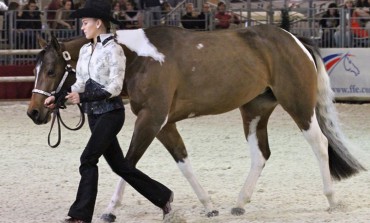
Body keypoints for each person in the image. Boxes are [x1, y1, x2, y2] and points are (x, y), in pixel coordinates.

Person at [44, 0, 174, 222]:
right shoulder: (85, 50)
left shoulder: (114, 50)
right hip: (94, 116)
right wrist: (58, 98)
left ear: (98, 23)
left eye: (85, 23)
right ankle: (163, 196)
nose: (82, 27)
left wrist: (82, 97)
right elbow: (81, 83)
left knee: (87, 159)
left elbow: (114, 88)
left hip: (111, 115)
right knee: (120, 166)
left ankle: (80, 215)